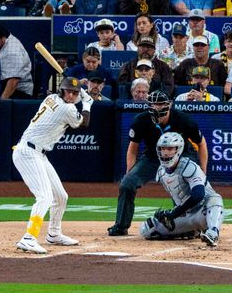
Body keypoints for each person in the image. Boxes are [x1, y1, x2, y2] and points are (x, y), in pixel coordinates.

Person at [107, 91, 207, 236]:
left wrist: (203, 170)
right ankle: (121, 226)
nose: (158, 108)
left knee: (181, 189)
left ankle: (188, 226)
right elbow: (132, 149)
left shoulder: (183, 119)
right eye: (154, 104)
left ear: (169, 105)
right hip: (152, 157)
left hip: (181, 157)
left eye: (161, 104)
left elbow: (201, 143)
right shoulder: (141, 120)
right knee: (127, 184)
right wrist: (130, 173)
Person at [11, 77, 92, 254]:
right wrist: (87, 104)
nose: (71, 95)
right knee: (44, 197)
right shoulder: (66, 108)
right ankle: (29, 238)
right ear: (61, 91)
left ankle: (54, 234)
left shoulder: (52, 99)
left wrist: (81, 96)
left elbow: (72, 104)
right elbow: (84, 123)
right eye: (68, 91)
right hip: (28, 153)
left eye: (74, 93)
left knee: (61, 196)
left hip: (38, 153)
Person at [139, 133, 224, 247]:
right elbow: (178, 198)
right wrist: (169, 214)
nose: (165, 152)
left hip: (203, 213)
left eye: (170, 149)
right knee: (148, 229)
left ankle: (212, 232)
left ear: (178, 150)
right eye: (162, 148)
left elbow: (198, 195)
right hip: (186, 216)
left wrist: (174, 213)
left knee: (215, 199)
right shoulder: (161, 171)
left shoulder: (190, 166)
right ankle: (189, 231)